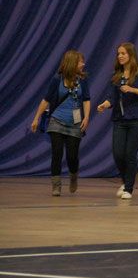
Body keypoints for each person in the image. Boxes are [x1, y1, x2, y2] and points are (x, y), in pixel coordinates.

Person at [97, 42, 138, 200]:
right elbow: (112, 97)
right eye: (118, 53)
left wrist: (133, 89)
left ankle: (129, 188)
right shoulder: (116, 76)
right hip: (120, 119)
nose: (120, 56)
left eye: (123, 53)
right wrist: (105, 104)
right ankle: (125, 182)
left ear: (131, 55)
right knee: (118, 153)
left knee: (130, 153)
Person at [31, 50, 91, 196]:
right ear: (72, 63)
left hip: (75, 123)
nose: (83, 64)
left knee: (72, 156)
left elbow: (86, 100)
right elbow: (46, 100)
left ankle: (73, 176)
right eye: (80, 62)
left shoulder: (82, 80)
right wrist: (36, 118)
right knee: (56, 153)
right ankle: (56, 185)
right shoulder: (57, 79)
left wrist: (86, 117)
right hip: (56, 120)